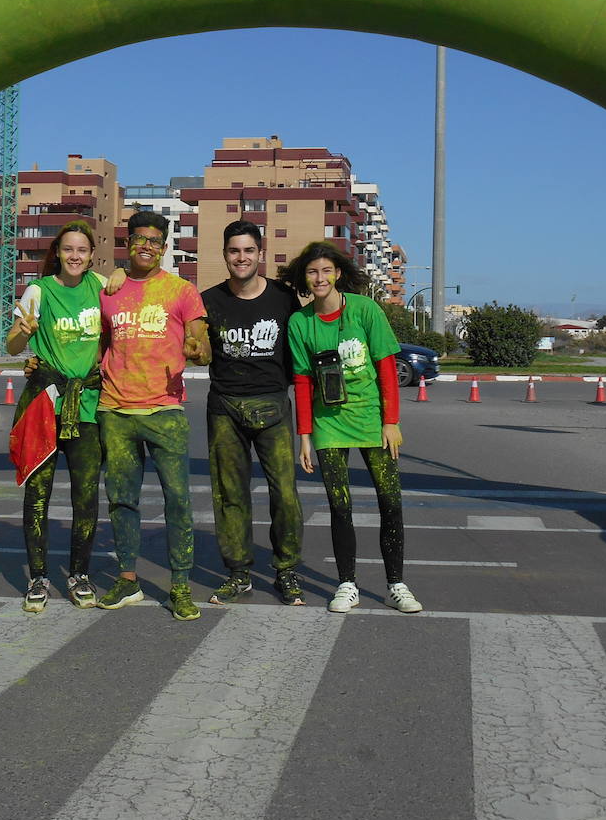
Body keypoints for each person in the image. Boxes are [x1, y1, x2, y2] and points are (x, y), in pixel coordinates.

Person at [279, 241, 421, 614]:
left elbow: (388, 368)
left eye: (326, 270)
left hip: (372, 420)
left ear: (338, 273)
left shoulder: (365, 310)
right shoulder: (300, 323)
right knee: (339, 507)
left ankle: (396, 584)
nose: (320, 278)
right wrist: (305, 436)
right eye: (312, 272)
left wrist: (391, 422)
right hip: (328, 425)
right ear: (304, 278)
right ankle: (347, 584)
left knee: (390, 502)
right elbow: (303, 381)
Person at [95, 211, 211, 620]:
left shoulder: (182, 291)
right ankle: (128, 580)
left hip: (164, 410)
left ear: (164, 247)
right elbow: (101, 343)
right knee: (121, 500)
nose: (146, 246)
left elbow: (202, 343)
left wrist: (197, 349)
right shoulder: (108, 289)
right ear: (127, 244)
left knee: (177, 499)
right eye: (138, 239)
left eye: (154, 241)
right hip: (115, 410)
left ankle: (180, 586)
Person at [201, 220, 305, 607]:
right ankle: (238, 572)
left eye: (248, 251)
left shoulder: (284, 298)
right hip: (224, 407)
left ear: (260, 254)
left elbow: (300, 351)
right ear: (224, 254)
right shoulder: (209, 301)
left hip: (274, 405)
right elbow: (190, 345)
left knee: (285, 494)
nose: (240, 258)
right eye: (233, 251)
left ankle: (286, 570)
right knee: (230, 493)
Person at [5, 220, 106, 613]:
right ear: (57, 253)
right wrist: (24, 331)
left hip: (87, 408)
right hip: (45, 404)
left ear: (90, 254)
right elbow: (14, 343)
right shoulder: (39, 291)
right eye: (68, 250)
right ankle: (38, 578)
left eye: (82, 250)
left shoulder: (100, 287)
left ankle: (80, 574)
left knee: (86, 498)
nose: (75, 256)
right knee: (38, 495)